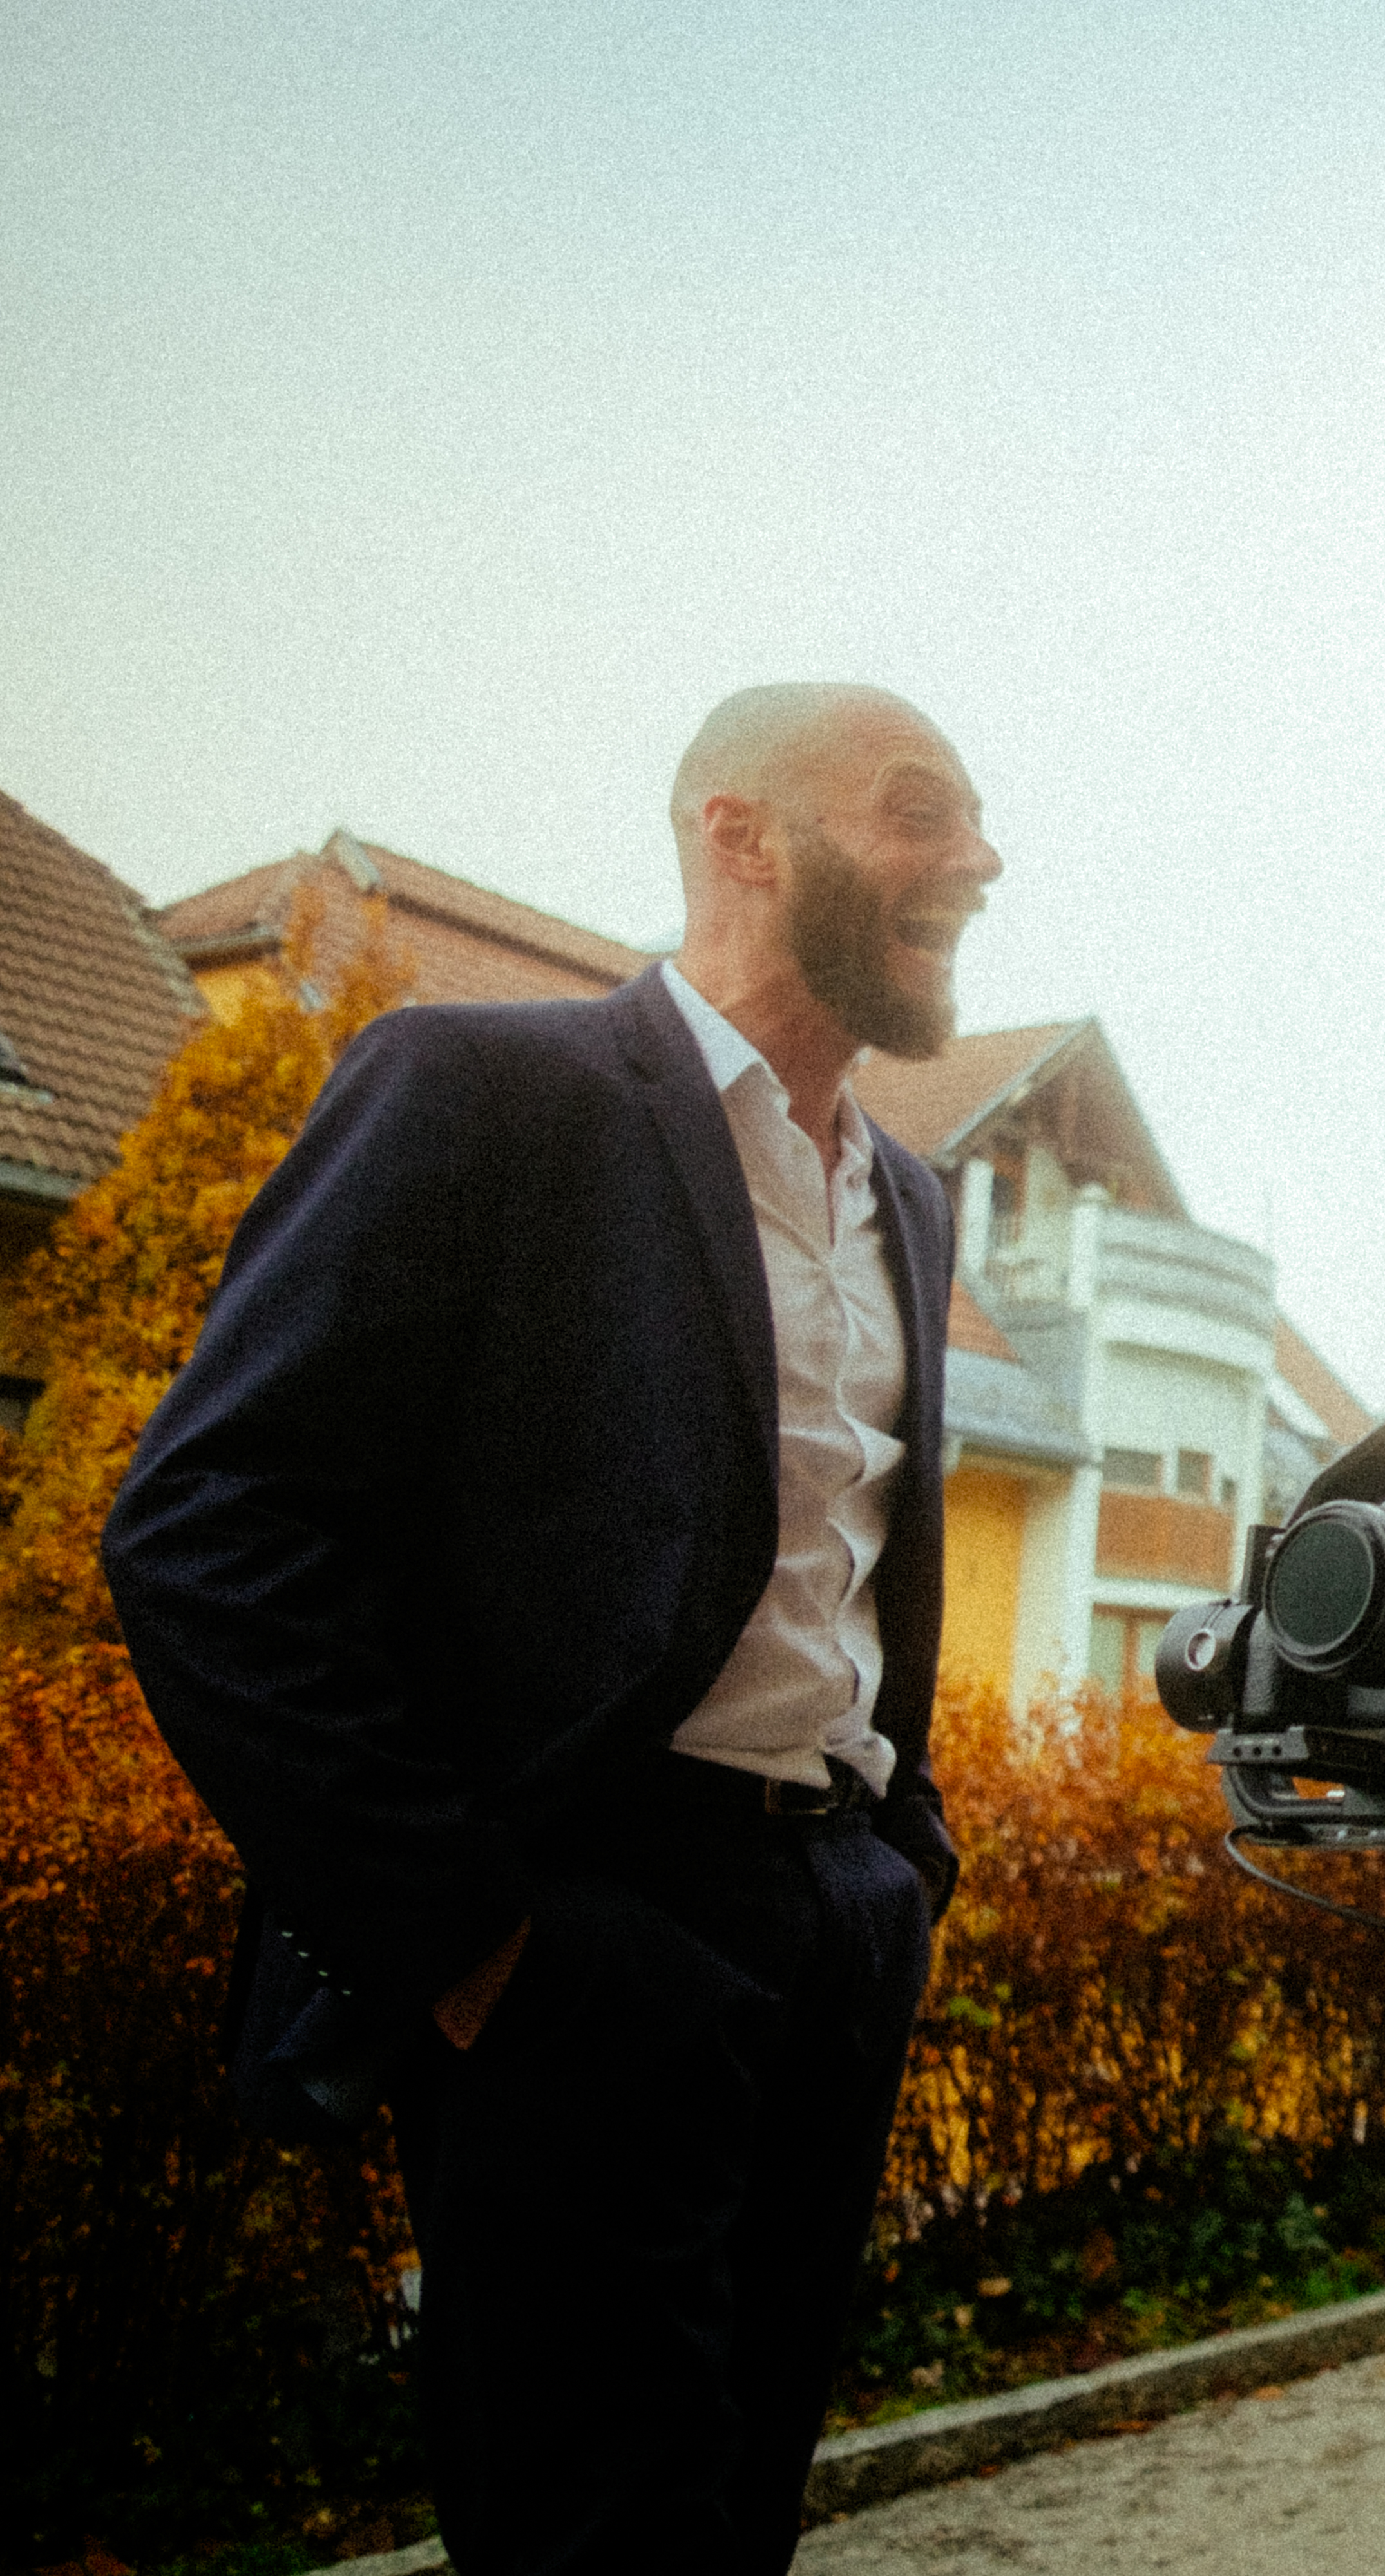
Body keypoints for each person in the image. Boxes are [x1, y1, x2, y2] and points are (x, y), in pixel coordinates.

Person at [105, 683, 999, 2575]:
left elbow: (848, 1573)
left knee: (737, 2512)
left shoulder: (908, 1197)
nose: (978, 864)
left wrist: (902, 1864)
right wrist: (466, 1938)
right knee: (601, 2532)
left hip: (837, 1930)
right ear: (738, 834)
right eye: (923, 813)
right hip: (587, 1943)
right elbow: (207, 1525)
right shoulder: (480, 1093)